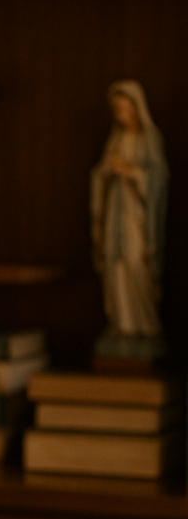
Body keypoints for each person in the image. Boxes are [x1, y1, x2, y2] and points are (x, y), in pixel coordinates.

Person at [90, 79, 169, 348]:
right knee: (115, 264)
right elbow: (100, 174)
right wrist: (108, 171)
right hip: (115, 211)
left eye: (123, 108)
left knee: (136, 262)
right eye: (116, 109)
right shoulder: (115, 139)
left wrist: (132, 172)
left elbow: (158, 180)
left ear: (135, 108)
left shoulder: (149, 139)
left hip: (137, 215)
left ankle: (145, 323)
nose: (119, 114)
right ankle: (122, 324)